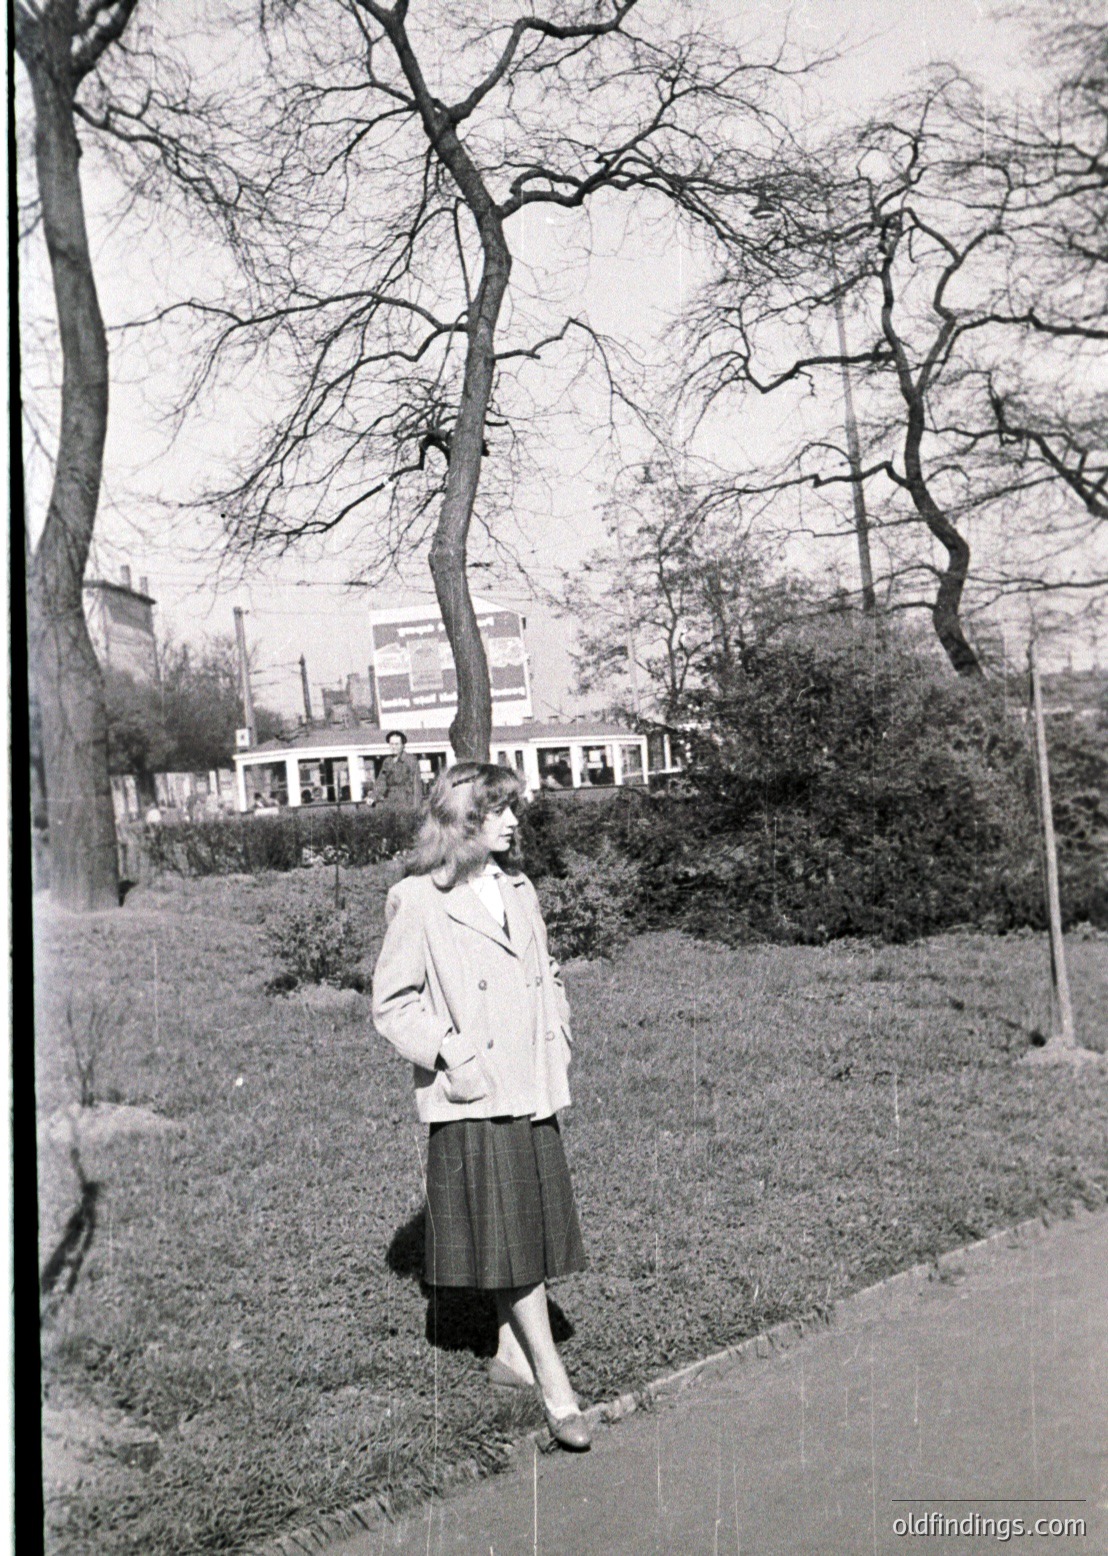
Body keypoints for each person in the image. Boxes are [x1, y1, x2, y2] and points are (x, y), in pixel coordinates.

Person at [371, 763, 591, 1450]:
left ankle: (509, 1351)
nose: (512, 820)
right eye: (496, 810)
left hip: (529, 1081)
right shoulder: (419, 899)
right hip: (474, 1091)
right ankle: (556, 1385)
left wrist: (557, 1027)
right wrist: (455, 1056)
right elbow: (392, 1004)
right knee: (512, 1236)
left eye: (512, 809)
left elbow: (544, 970)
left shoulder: (518, 888)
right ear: (463, 820)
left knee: (518, 1228)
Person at [374, 730, 424, 810]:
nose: (394, 747)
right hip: (390, 804)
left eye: (397, 744)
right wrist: (373, 796)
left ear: (403, 745)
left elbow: (417, 786)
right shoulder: (387, 762)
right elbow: (381, 782)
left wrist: (416, 808)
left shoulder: (411, 760)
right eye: (391, 744)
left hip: (406, 803)